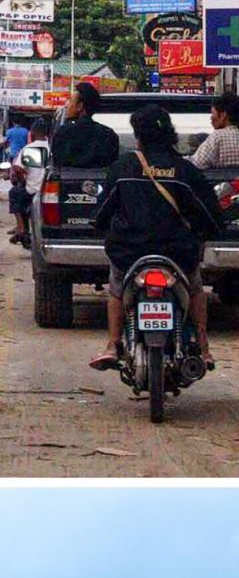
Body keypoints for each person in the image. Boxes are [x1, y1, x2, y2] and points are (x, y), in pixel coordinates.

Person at [89, 105, 224, 370]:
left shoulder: (123, 167)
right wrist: (209, 231)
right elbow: (209, 216)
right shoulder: (185, 171)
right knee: (196, 289)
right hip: (177, 253)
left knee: (116, 290)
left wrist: (101, 226)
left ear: (138, 136)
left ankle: (112, 345)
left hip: (129, 253)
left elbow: (102, 213)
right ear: (171, 134)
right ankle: (204, 347)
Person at [50, 82, 118, 168]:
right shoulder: (109, 135)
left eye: (70, 101)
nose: (67, 105)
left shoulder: (63, 133)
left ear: (80, 106)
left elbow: (57, 165)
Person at [189, 91, 239, 170]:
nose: (211, 118)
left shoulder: (217, 137)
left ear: (223, 115)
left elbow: (195, 163)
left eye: (213, 113)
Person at [8, 153, 34, 246]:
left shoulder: (28, 151)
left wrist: (22, 180)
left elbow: (17, 168)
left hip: (31, 188)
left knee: (14, 192)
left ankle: (20, 226)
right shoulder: (50, 148)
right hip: (47, 185)